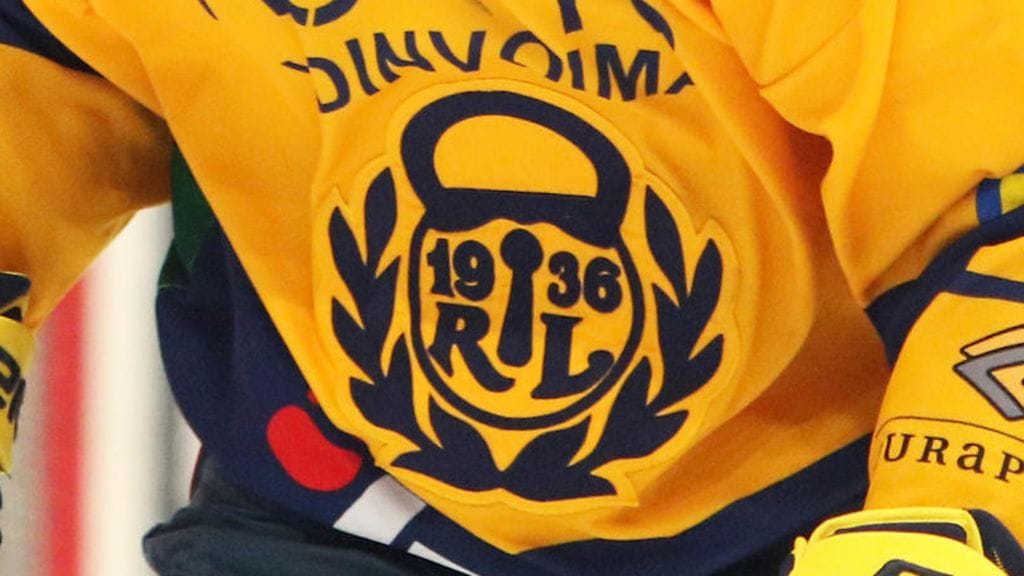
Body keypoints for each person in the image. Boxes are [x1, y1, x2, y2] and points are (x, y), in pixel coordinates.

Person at [2, 1, 1024, 574]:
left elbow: (995, 202)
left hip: (814, 518)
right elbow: (46, 60)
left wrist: (950, 512)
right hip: (350, 506)